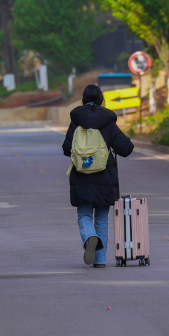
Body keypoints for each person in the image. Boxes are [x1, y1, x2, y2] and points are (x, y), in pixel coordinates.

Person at [62, 84, 134, 267]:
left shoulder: (76, 120)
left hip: (81, 176)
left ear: (83, 100)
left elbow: (66, 149)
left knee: (84, 215)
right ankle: (100, 260)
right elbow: (126, 149)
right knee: (101, 218)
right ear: (102, 99)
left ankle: (90, 237)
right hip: (104, 176)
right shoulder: (108, 121)